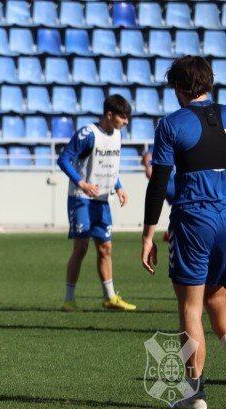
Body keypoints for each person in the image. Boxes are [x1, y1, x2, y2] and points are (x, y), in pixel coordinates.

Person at [141, 55, 226, 409]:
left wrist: (148, 234)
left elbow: (159, 182)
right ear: (209, 82)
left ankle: (194, 394)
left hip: (194, 220)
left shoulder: (171, 124)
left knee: (191, 307)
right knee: (219, 298)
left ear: (179, 88)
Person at [57, 95, 136, 312]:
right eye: (123, 117)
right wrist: (81, 183)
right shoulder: (88, 134)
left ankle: (110, 297)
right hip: (81, 199)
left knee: (105, 248)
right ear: (109, 115)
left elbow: (109, 165)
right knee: (81, 248)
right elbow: (63, 159)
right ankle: (69, 299)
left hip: (101, 200)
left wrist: (118, 186)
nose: (126, 122)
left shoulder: (118, 135)